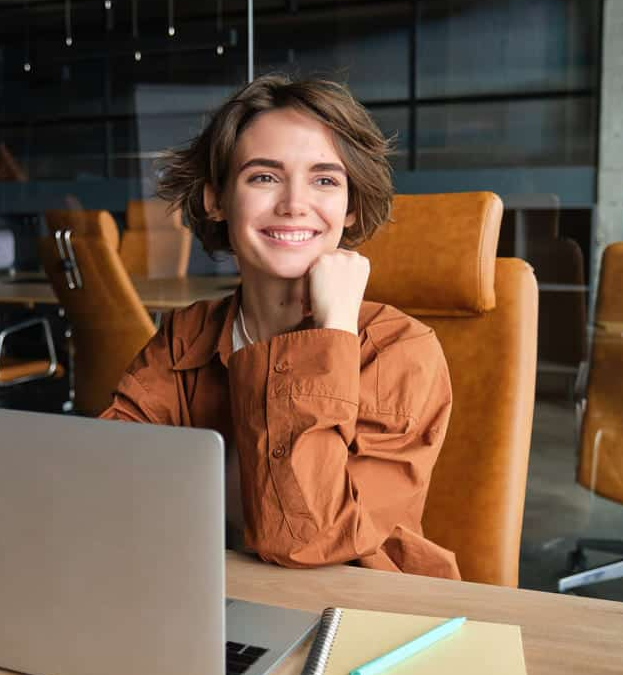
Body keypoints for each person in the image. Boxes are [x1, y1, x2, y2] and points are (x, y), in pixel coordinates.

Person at [100, 74, 459, 580]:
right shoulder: (187, 335)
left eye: (325, 180)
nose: (294, 203)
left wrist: (331, 336)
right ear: (216, 200)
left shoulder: (400, 352)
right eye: (264, 177)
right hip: (209, 598)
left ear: (351, 207)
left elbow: (306, 540)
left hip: (355, 615)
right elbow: (105, 486)